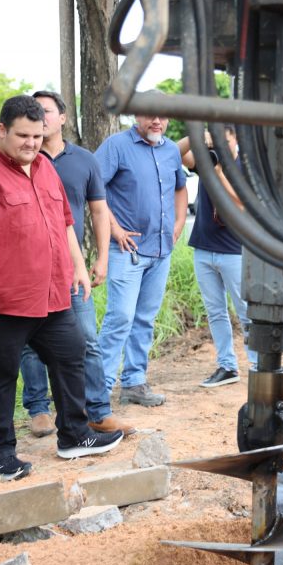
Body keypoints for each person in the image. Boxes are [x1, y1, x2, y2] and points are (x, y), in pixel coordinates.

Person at [0, 95, 122, 481]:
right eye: (23, 136)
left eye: (38, 136)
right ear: (1, 129)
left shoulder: (42, 165)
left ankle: (75, 435)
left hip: (52, 293)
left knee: (70, 356)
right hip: (2, 301)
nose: (31, 144)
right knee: (0, 375)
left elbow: (64, 222)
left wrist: (76, 265)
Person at [17, 91, 134, 439]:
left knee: (87, 340)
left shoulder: (83, 160)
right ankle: (39, 409)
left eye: (47, 111)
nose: (40, 117)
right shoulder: (22, 158)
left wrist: (101, 258)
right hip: (27, 269)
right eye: (35, 112)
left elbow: (99, 210)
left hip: (71, 267)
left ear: (63, 117)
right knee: (30, 342)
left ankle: (98, 411)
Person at [93, 99, 187, 409]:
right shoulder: (116, 146)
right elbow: (93, 189)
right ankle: (99, 392)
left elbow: (179, 187)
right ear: (137, 115)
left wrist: (179, 221)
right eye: (150, 114)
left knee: (145, 319)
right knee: (120, 318)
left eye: (162, 115)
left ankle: (134, 383)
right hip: (126, 251)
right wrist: (115, 228)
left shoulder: (171, 150)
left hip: (161, 251)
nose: (157, 120)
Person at [177, 126, 257, 387]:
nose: (220, 143)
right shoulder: (208, 160)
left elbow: (241, 203)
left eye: (226, 138)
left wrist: (219, 174)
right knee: (215, 312)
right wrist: (198, 137)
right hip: (204, 247)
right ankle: (227, 366)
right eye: (217, 138)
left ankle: (258, 365)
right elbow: (178, 156)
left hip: (235, 250)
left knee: (246, 310)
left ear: (237, 139)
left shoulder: (246, 167)